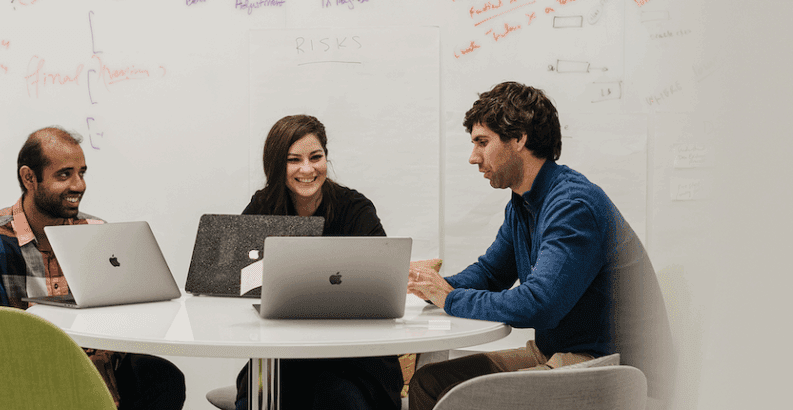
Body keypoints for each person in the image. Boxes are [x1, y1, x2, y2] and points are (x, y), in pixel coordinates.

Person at [406, 82, 675, 410]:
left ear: (519, 138)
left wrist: (450, 298)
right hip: (560, 354)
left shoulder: (572, 205)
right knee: (430, 383)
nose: (473, 157)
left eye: (482, 142)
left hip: (610, 367)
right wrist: (429, 286)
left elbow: (540, 305)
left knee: (465, 400)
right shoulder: (522, 204)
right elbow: (491, 273)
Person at [0, 126, 186, 410]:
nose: (79, 185)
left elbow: (116, 326)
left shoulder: (96, 231)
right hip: (18, 377)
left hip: (90, 368)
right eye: (64, 175)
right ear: (29, 178)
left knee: (163, 377)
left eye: (81, 173)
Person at [234, 115, 404, 410]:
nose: (307, 169)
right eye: (293, 160)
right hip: (281, 358)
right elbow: (237, 281)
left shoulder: (356, 209)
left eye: (316, 157)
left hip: (354, 361)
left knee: (338, 397)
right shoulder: (262, 207)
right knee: (254, 400)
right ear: (276, 165)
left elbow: (383, 286)